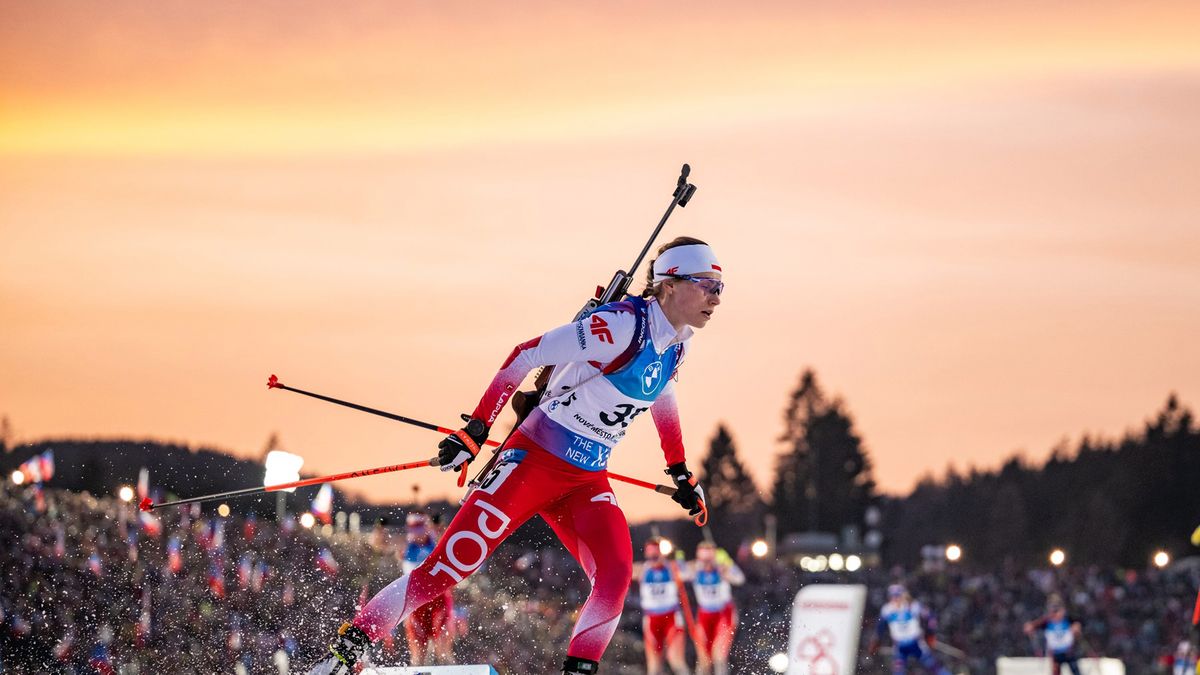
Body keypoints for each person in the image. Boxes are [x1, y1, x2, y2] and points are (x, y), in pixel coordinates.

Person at [308, 237, 723, 675]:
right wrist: (477, 429)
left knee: (616, 576)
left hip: (587, 478)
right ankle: (342, 657)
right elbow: (526, 355)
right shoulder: (622, 327)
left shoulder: (680, 342)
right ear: (670, 284)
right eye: (706, 284)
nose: (715, 297)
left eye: (721, 288)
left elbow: (661, 396)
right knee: (445, 570)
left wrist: (679, 470)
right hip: (533, 462)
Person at [398, 512, 455, 666]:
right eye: (412, 528)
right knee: (417, 655)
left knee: (443, 651)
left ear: (427, 527)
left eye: (419, 528)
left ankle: (450, 669)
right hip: (415, 602)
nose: (415, 533)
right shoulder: (404, 545)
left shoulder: (437, 541)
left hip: (439, 599)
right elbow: (379, 543)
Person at [633, 537, 691, 675]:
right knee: (653, 667)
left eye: (656, 554)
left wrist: (679, 558)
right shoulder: (642, 569)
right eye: (650, 554)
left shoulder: (672, 567)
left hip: (671, 618)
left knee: (675, 660)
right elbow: (623, 571)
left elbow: (688, 573)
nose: (653, 558)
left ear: (661, 553)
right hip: (651, 620)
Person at [686, 542, 744, 675]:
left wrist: (728, 564)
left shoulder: (721, 568)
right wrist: (676, 559)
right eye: (703, 560)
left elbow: (740, 579)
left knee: (719, 655)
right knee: (703, 659)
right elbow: (679, 573)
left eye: (709, 560)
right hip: (704, 615)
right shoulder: (695, 568)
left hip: (724, 614)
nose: (706, 564)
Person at [867, 584, 951, 675]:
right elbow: (880, 628)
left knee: (933, 666)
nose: (895, 599)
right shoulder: (887, 609)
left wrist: (930, 635)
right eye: (893, 596)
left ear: (903, 595)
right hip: (900, 646)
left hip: (916, 643)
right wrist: (876, 642)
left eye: (897, 596)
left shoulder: (913, 606)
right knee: (898, 670)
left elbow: (931, 618)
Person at [1024, 594, 1083, 675]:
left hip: (1069, 652)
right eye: (1054, 611)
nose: (1057, 614)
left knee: (1076, 671)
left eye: (1058, 610)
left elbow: (1078, 624)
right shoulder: (1047, 622)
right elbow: (1032, 626)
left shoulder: (1068, 620)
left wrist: (1076, 628)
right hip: (1055, 654)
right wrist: (1030, 627)